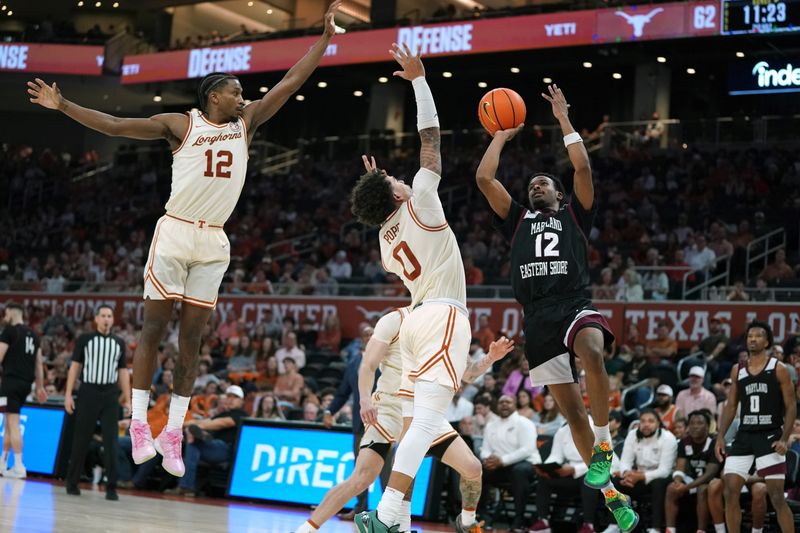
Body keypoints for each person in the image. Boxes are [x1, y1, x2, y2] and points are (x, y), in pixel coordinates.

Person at [26, 1, 342, 478]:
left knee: (192, 339)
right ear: (215, 96)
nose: (243, 98)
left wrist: (323, 39)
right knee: (154, 329)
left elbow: (290, 83)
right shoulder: (181, 124)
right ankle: (137, 424)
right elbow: (115, 126)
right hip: (175, 231)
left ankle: (172, 432)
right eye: (236, 93)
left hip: (214, 242)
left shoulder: (247, 124)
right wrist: (63, 105)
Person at [474, 84, 637, 531]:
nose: (535, 185)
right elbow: (484, 180)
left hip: (573, 303)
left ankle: (603, 447)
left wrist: (564, 118)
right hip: (538, 319)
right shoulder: (517, 221)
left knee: (593, 349)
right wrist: (501, 137)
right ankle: (611, 495)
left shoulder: (575, 215)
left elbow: (582, 166)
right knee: (572, 413)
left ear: (560, 196)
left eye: (543, 183)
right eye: (532, 184)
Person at [349, 44, 481, 533]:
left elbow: (387, 217)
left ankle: (396, 519)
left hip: (415, 319)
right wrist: (420, 81)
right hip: (444, 315)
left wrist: (381, 188)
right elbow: (431, 139)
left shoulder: (385, 243)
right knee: (425, 424)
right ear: (398, 194)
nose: (403, 177)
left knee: (418, 423)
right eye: (395, 179)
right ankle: (386, 516)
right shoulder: (422, 200)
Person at [295, 308, 513, 533]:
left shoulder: (449, 325)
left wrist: (490, 358)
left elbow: (468, 374)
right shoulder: (396, 318)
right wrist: (365, 400)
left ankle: (467, 523)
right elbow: (367, 365)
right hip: (388, 408)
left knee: (472, 467)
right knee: (362, 478)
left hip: (425, 410)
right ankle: (306, 529)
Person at [715, 321, 796, 533]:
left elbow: (791, 406)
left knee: (777, 497)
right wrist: (721, 436)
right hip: (745, 435)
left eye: (758, 336)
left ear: (767, 341)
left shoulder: (778, 369)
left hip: (770, 435)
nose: (752, 339)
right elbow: (731, 405)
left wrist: (785, 438)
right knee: (730, 490)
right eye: (750, 336)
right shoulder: (737, 370)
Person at [64, 305, 130, 499]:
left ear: (113, 319)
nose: (106, 319)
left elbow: (123, 372)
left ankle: (111, 487)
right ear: (96, 319)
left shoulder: (119, 342)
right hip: (88, 391)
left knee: (111, 440)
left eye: (109, 316)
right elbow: (75, 367)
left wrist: (128, 399)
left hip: (110, 394)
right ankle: (72, 482)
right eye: (103, 316)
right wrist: (68, 394)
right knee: (81, 438)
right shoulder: (85, 340)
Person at [167, 385, 247, 496]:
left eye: (235, 397)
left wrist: (197, 427)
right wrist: (178, 425)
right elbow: (204, 421)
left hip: (225, 449)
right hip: (211, 446)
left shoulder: (241, 414)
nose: (231, 399)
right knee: (192, 444)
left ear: (241, 401)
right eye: (229, 396)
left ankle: (185, 486)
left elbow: (221, 423)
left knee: (193, 438)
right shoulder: (222, 413)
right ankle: (186, 487)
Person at [606, 409, 677, 533]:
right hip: (636, 477)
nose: (646, 424)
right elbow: (625, 462)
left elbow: (665, 470)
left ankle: (655, 528)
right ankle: (614, 524)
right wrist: (626, 474)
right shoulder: (633, 434)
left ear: (658, 424)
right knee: (614, 482)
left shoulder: (668, 438)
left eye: (651, 421)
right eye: (643, 421)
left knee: (658, 483)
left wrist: (640, 476)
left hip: (660, 478)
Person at [479, 394, 541, 532]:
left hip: (527, 464)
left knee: (518, 471)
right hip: (499, 466)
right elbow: (485, 449)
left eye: (508, 402)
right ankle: (483, 515)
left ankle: (519, 519)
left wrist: (502, 460)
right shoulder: (491, 425)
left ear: (515, 405)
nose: (504, 404)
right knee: (478, 470)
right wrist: (489, 459)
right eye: (501, 402)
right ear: (497, 406)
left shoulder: (525, 423)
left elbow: (527, 449)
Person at [0, 302, 47, 478]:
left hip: (10, 383)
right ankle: (3, 462)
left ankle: (19, 466)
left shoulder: (9, 331)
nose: (4, 317)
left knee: (12, 423)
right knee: (9, 422)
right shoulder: (34, 335)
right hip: (25, 385)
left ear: (12, 313)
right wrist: (40, 387)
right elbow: (39, 364)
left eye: (6, 314)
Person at [530, 420, 602, 533]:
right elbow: (556, 456)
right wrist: (547, 468)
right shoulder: (562, 430)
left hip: (596, 471)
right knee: (544, 479)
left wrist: (575, 469)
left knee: (589, 477)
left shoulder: (597, 428)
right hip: (570, 472)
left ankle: (589, 525)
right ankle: (543, 521)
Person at [664, 410, 720, 533]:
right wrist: (678, 482)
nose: (695, 426)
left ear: (707, 426)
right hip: (692, 480)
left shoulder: (714, 443)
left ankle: (701, 530)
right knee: (671, 488)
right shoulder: (684, 442)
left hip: (713, 482)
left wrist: (686, 487)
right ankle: (670, 530)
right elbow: (680, 467)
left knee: (702, 489)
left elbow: (709, 474)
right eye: (692, 423)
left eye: (699, 423)